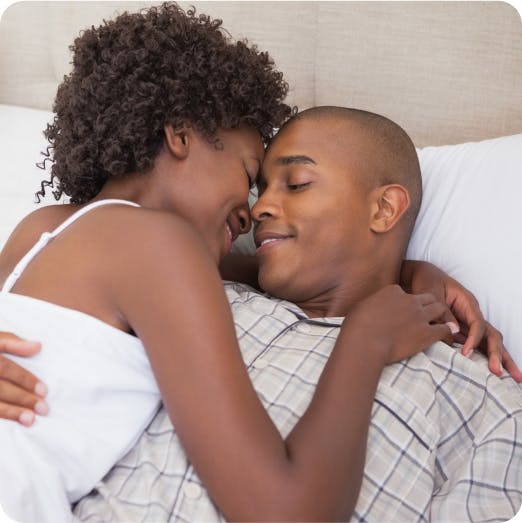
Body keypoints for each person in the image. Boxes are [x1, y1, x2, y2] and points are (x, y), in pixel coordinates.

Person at [0, 3, 493, 522]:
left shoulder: (44, 229)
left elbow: (266, 267)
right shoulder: (160, 246)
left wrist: (409, 271)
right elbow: (284, 510)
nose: (254, 207)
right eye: (249, 171)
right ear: (181, 133)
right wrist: (365, 339)